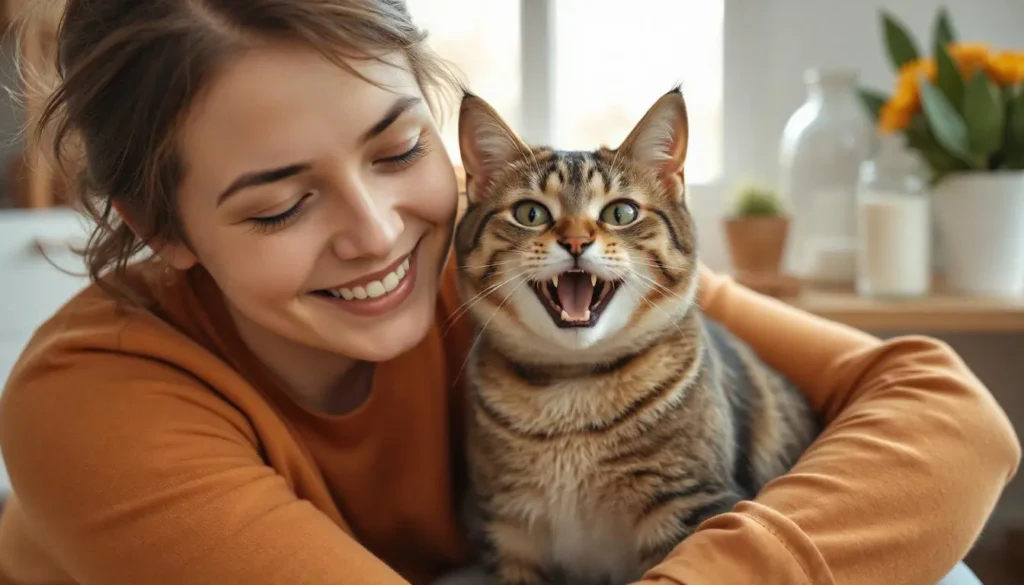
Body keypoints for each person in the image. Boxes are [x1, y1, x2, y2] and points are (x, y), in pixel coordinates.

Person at [0, 1, 1017, 584]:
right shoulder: (89, 401)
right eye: (278, 207)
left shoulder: (515, 269)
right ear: (159, 227)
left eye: (399, 149)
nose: (379, 234)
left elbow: (950, 416)